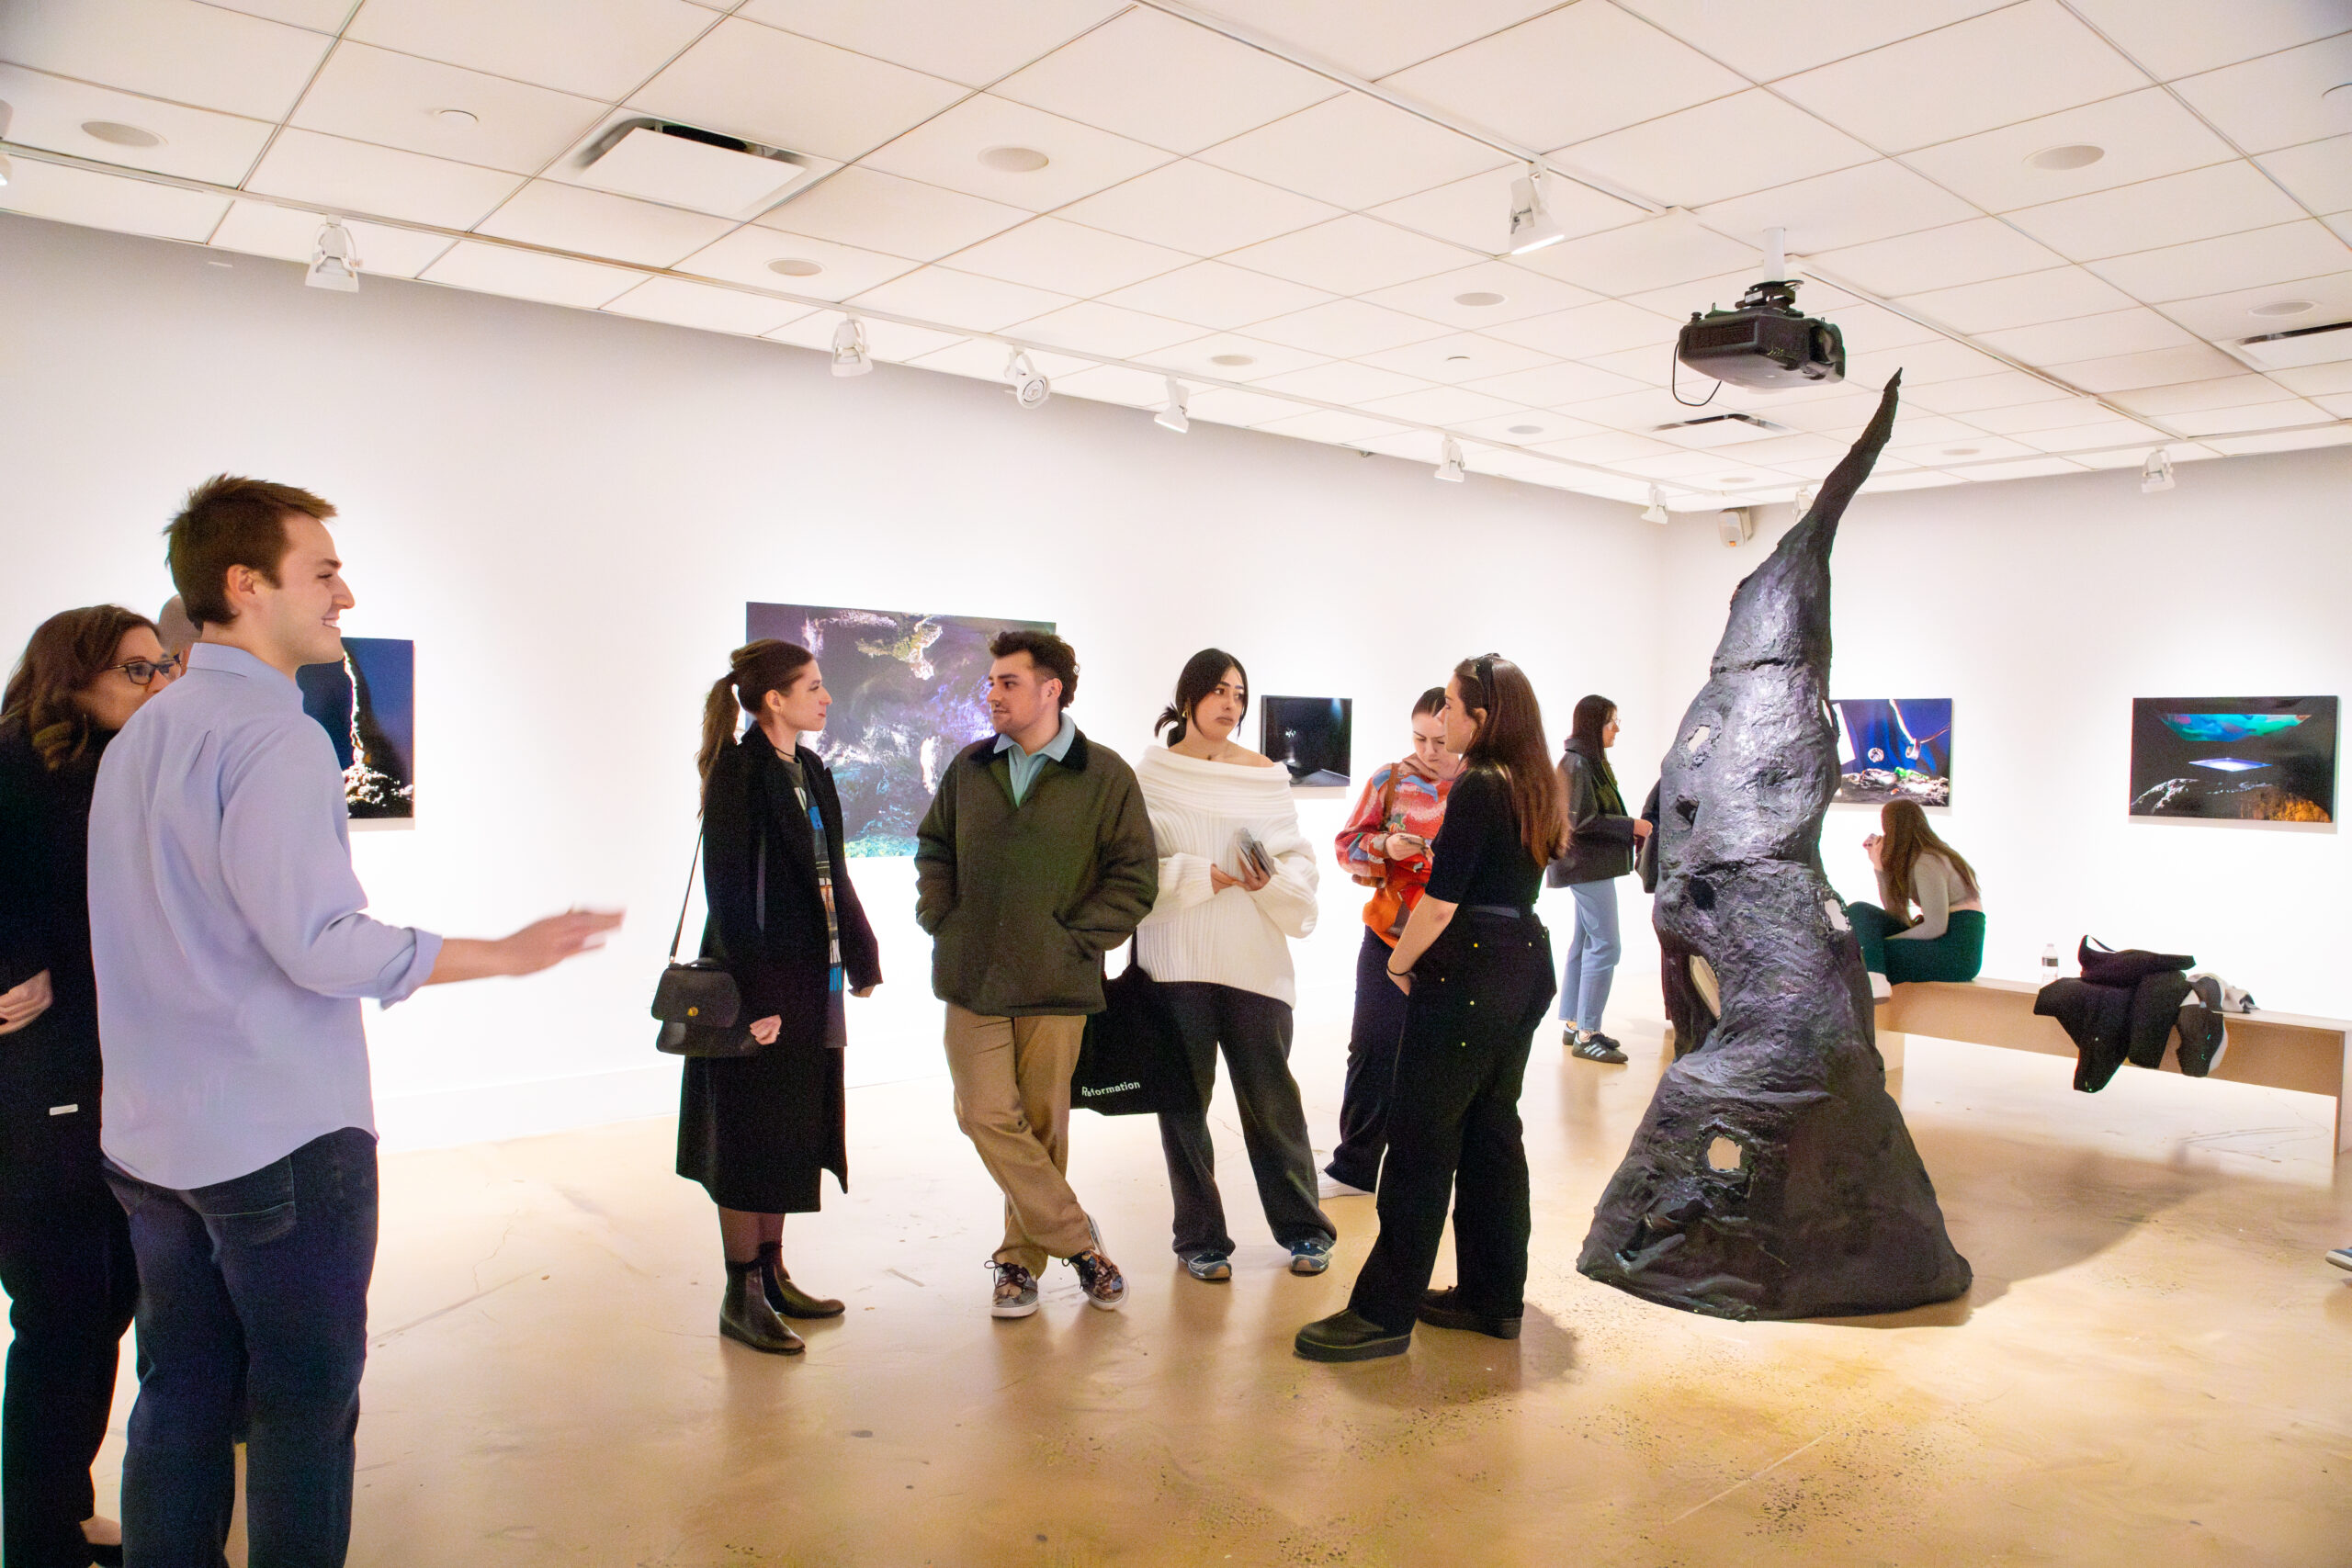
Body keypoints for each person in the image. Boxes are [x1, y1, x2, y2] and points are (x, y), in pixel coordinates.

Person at [87, 475, 621, 1567]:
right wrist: (504, 955)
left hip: (149, 1139)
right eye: (323, 570)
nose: (346, 592)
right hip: (276, 1139)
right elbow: (318, 942)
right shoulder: (275, 737)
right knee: (301, 1409)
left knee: (179, 1396)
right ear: (247, 585)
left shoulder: (147, 732)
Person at [1296, 654, 1566, 1363]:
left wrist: (1398, 959)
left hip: (1472, 964)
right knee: (1490, 1136)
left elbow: (1442, 901)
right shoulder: (1534, 781)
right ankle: (1491, 1297)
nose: (1440, 719)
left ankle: (1382, 1313)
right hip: (1523, 959)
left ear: (1483, 716)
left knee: (1419, 1142)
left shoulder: (1479, 783)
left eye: (1450, 706)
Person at [0, 606, 180, 1568]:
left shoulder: (109, 769)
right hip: (39, 1089)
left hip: (97, 1080)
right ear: (74, 675)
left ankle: (58, 1519)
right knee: (64, 1314)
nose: (157, 685)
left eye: (163, 668)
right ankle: (38, 1538)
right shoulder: (19, 769)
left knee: (92, 1309)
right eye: (139, 669)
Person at [914, 629, 1156, 1320]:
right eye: (990, 682)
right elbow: (934, 846)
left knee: (1043, 1125)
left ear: (1051, 690)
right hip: (972, 975)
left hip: (1057, 981)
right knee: (983, 1110)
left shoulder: (1104, 775)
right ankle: (1081, 1243)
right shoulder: (969, 767)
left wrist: (1077, 939)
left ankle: (1018, 1264)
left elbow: (1135, 876)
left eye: (1007, 682)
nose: (992, 693)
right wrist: (942, 913)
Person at [682, 639, 880, 1356]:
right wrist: (753, 995)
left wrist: (860, 950)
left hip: (808, 978)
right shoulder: (740, 771)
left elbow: (834, 871)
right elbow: (727, 889)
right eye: (814, 686)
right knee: (746, 1132)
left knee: (788, 1125)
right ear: (774, 699)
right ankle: (743, 1291)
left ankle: (772, 1273)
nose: (826, 698)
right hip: (759, 981)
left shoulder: (810, 768)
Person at [1134, 649, 1334, 1281]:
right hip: (1174, 959)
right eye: (1219, 690)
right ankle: (1200, 1238)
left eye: (1240, 693)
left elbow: (1299, 858)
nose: (1230, 703)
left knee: (1272, 1100)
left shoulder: (1267, 775)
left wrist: (1269, 878)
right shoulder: (1153, 773)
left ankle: (1305, 1228)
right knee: (1183, 1105)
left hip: (1253, 957)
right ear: (1189, 696)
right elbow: (1133, 865)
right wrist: (1203, 876)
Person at [1323, 687, 1457, 1199]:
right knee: (1373, 1047)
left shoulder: (1479, 787)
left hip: (1450, 940)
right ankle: (1354, 1166)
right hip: (1387, 932)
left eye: (1440, 740)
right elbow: (1346, 847)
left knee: (1441, 1059)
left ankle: (1426, 1173)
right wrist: (1384, 844)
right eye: (1420, 738)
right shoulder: (1391, 779)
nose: (1429, 750)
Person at [1550, 695, 1650, 1065]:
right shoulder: (1578, 763)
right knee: (1606, 946)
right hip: (1586, 867)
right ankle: (1587, 1034)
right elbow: (1582, 822)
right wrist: (1632, 826)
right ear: (1595, 725)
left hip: (1587, 867)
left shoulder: (1583, 762)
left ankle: (1576, 1023)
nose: (1617, 729)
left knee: (1586, 941)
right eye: (1611, 721)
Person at [1848, 799, 1985, 998]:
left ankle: (1874, 980)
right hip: (1941, 942)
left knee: (1863, 955)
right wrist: (1879, 868)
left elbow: (1935, 927)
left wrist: (1878, 943)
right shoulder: (1919, 859)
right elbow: (1896, 913)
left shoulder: (1928, 860)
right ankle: (1876, 979)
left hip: (1957, 951)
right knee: (1859, 910)